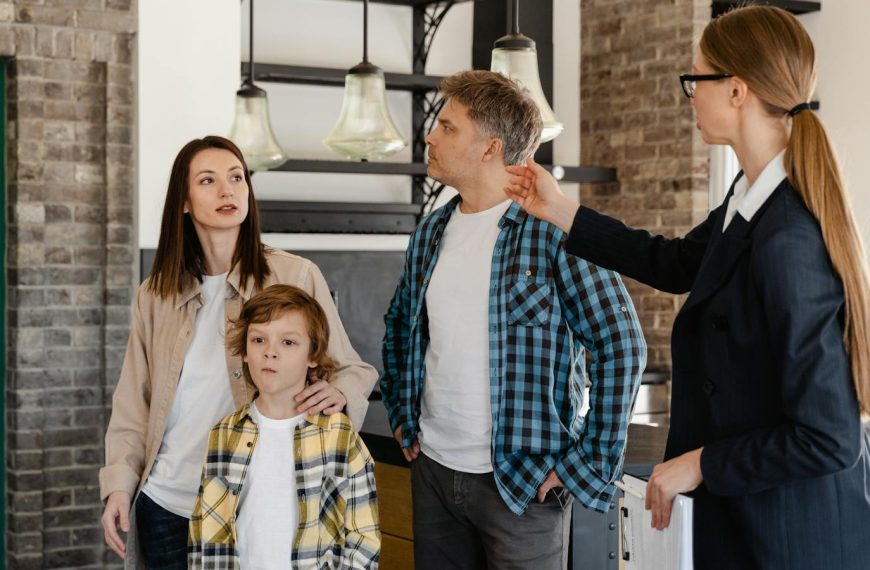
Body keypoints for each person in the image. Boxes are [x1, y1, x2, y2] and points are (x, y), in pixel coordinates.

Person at [504, 6, 870, 569]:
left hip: (790, 539)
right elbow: (673, 263)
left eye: (695, 80)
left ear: (737, 90)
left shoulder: (788, 238)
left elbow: (828, 439)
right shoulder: (747, 203)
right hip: (746, 520)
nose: (690, 95)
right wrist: (559, 210)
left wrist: (701, 463)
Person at [380, 70, 646, 569]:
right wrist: (401, 413)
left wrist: (587, 461)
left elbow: (622, 343)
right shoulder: (431, 232)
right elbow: (400, 326)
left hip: (524, 485)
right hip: (434, 472)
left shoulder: (554, 231)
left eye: (447, 127)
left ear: (490, 147)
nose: (431, 136)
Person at [99, 136, 378, 569]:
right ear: (185, 202)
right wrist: (119, 484)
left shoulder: (296, 274)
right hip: (165, 503)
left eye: (236, 178)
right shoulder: (154, 295)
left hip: (254, 502)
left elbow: (350, 369)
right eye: (208, 181)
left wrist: (340, 393)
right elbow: (133, 401)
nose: (228, 191)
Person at [188, 284, 380, 569]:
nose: (270, 353)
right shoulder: (224, 434)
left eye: (288, 342)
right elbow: (204, 532)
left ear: (313, 355)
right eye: (258, 340)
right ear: (243, 351)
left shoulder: (339, 436)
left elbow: (363, 540)